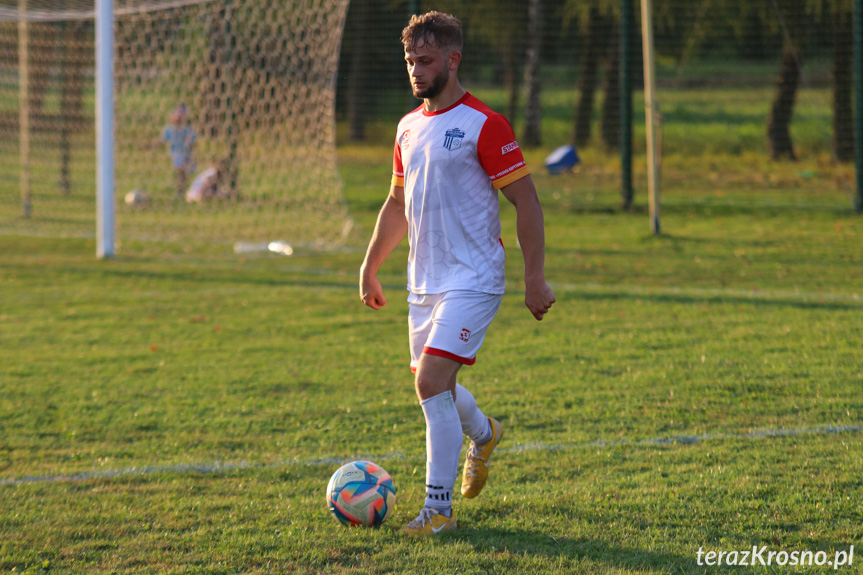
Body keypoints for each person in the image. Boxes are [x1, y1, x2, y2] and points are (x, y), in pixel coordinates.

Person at [359, 11, 555, 536]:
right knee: (433, 387)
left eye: (425, 61)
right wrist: (370, 266)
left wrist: (534, 278)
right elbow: (396, 203)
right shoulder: (407, 127)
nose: (416, 71)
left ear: (453, 59)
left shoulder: (485, 125)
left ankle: (437, 509)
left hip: (474, 277)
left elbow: (527, 203)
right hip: (423, 282)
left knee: (431, 381)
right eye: (409, 62)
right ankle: (484, 433)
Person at [163, 104, 197, 199]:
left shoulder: (188, 131)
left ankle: (182, 191)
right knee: (180, 173)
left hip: (186, 155)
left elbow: (193, 145)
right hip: (176, 155)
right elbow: (162, 140)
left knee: (184, 174)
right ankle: (180, 191)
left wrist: (193, 157)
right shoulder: (169, 130)